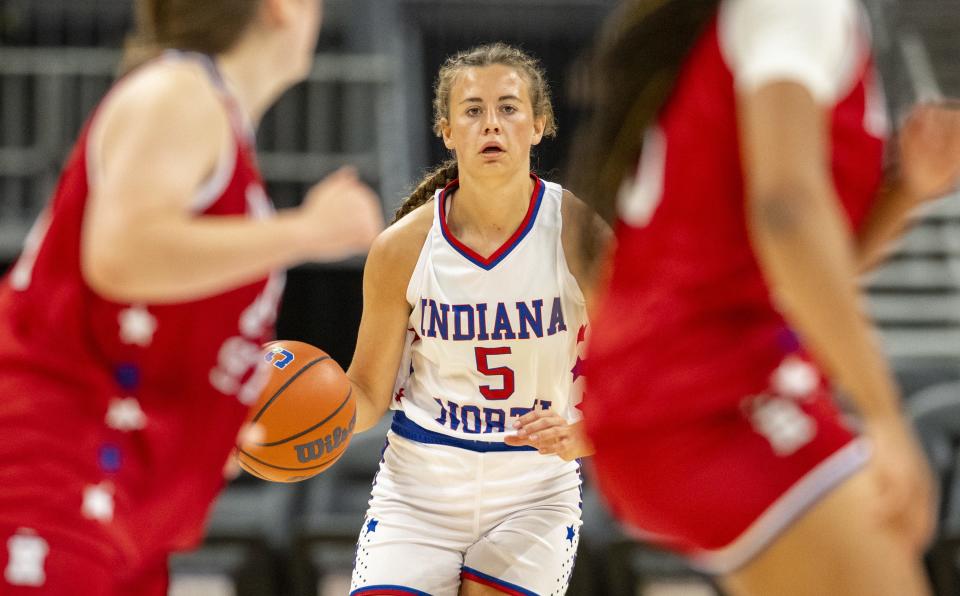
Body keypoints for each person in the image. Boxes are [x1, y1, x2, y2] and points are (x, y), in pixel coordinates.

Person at [574, 1, 960, 595]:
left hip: (679, 386)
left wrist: (907, 190)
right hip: (701, 393)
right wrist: (883, 415)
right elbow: (785, 215)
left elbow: (796, 273)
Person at [0, 0, 383, 593]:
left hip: (131, 505)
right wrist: (309, 231)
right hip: (53, 473)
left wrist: (213, 419)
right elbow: (121, 254)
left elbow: (144, 311)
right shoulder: (179, 92)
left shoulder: (213, 118)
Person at [345, 43, 604, 596]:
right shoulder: (401, 249)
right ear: (446, 130)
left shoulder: (578, 233)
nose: (492, 123)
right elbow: (366, 393)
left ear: (539, 125)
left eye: (509, 108)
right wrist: (317, 413)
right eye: (472, 110)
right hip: (420, 493)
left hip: (534, 491)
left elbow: (643, 369)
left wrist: (589, 432)